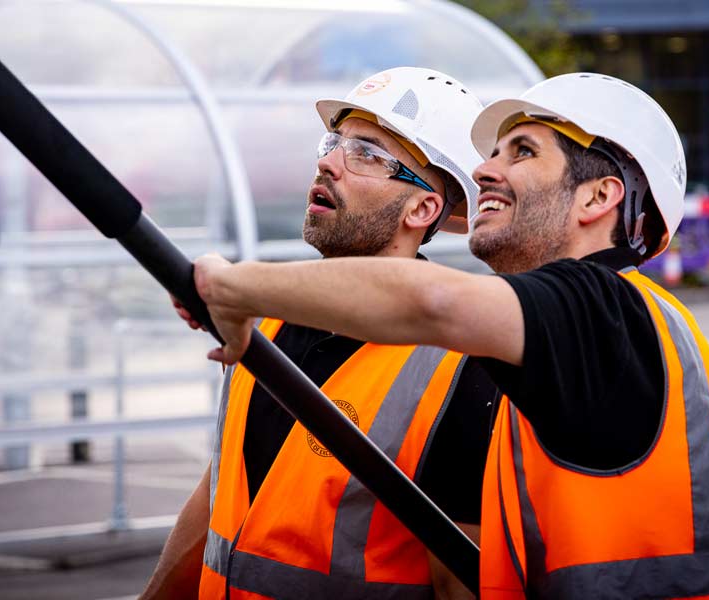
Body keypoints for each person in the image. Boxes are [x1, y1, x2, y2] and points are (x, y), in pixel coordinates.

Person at [179, 73, 709, 599]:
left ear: (599, 196)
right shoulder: (562, 344)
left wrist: (236, 287)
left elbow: (437, 302)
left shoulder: (603, 312)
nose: (481, 170)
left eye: (521, 152)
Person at [142, 66, 500, 600]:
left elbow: (460, 581)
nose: (327, 161)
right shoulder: (262, 317)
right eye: (335, 142)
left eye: (367, 154)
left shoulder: (459, 369)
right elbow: (222, 489)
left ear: (422, 207)